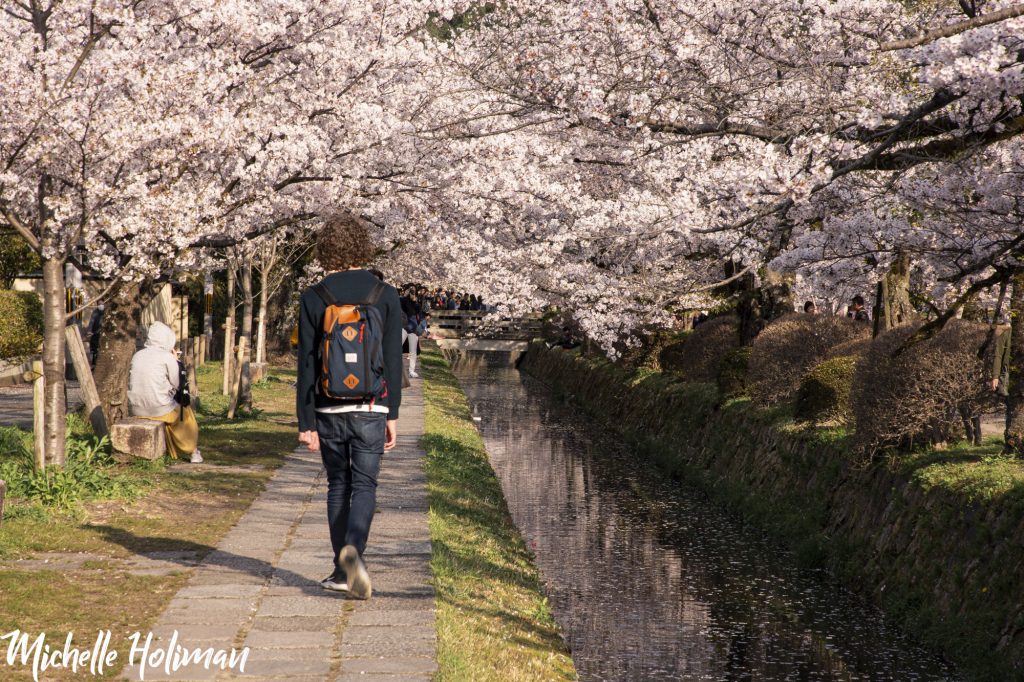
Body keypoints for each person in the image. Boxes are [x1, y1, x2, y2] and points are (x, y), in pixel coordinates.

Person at [296, 213, 402, 600]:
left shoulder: (314, 296)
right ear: (363, 248)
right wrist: (392, 413)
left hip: (328, 408)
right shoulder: (384, 294)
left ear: (325, 250)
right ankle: (354, 551)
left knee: (338, 485)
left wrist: (305, 421)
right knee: (365, 485)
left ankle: (341, 571)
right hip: (372, 407)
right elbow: (393, 358)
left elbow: (307, 362)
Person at [128, 321, 202, 463]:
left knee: (169, 408)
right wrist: (177, 361)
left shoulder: (137, 355)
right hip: (159, 408)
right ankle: (193, 451)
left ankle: (169, 449)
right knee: (185, 414)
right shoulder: (166, 357)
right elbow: (177, 383)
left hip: (136, 408)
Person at [400, 287, 423, 379]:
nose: (412, 293)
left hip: (413, 326)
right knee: (397, 347)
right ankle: (396, 368)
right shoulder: (402, 300)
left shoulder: (416, 301)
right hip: (404, 326)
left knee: (413, 350)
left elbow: (418, 311)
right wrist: (407, 297)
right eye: (410, 291)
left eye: (413, 291)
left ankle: (411, 370)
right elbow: (405, 310)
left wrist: (415, 301)